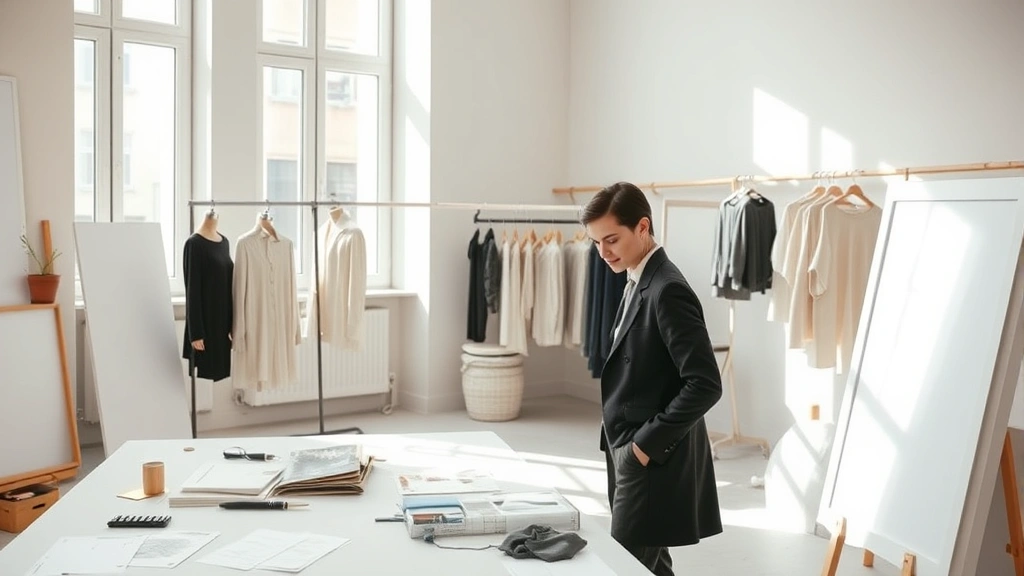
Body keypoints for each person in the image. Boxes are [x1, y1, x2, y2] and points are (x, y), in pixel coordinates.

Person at [581, 182, 723, 575]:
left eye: (611, 240)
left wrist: (641, 448)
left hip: (647, 458)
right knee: (650, 565)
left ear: (643, 227)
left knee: (628, 564)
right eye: (595, 243)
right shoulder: (637, 276)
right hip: (628, 449)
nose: (603, 253)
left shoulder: (668, 289)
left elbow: (706, 383)